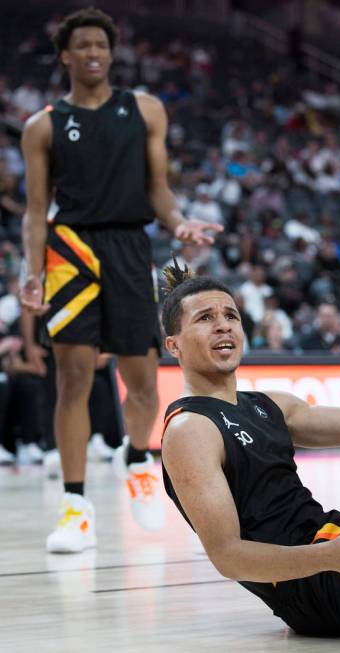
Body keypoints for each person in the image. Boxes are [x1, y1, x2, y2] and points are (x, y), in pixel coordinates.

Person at [20, 8, 222, 554]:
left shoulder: (145, 110)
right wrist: (30, 271)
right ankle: (75, 506)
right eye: (82, 45)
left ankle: (136, 459)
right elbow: (36, 211)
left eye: (101, 46)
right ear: (65, 55)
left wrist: (179, 223)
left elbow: (158, 187)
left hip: (131, 246)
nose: (93, 53)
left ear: (111, 54)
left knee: (140, 378)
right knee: (72, 378)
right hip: (70, 249)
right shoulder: (43, 125)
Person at [160, 261, 340, 637]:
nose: (223, 324)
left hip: (339, 545)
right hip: (318, 584)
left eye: (230, 314)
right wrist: (330, 557)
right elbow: (228, 556)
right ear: (173, 346)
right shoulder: (189, 428)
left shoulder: (268, 405)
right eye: (204, 318)